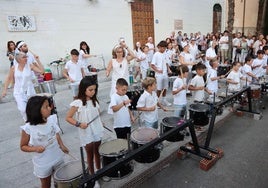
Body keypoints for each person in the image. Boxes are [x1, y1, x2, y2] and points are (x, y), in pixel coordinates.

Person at [20, 95, 69, 188]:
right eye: (46, 107)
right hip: (43, 162)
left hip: (57, 157)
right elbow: (23, 146)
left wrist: (61, 145)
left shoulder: (51, 119)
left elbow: (56, 133)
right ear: (36, 111)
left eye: (49, 105)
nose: (50, 108)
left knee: (61, 181)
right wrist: (35, 148)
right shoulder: (28, 128)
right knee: (46, 185)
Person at [66, 77, 103, 187]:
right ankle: (93, 178)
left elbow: (97, 114)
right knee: (90, 155)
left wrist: (101, 122)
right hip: (86, 132)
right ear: (83, 89)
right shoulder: (77, 103)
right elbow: (68, 118)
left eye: (94, 89)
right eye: (90, 90)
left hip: (96, 129)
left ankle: (100, 173)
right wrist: (79, 124)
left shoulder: (95, 101)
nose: (93, 92)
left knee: (98, 152)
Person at [2, 52, 44, 121]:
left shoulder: (30, 66)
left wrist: (38, 60)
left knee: (33, 109)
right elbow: (9, 78)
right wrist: (5, 90)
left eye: (26, 56)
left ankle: (33, 123)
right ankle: (27, 122)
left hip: (30, 91)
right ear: (19, 59)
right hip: (18, 92)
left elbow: (42, 71)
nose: (26, 58)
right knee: (23, 109)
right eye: (24, 57)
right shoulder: (14, 68)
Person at [151, 40, 172, 106]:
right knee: (159, 88)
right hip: (159, 74)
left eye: (165, 48)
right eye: (162, 47)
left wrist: (169, 70)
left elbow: (166, 63)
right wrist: (157, 70)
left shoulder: (165, 53)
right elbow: (152, 65)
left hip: (165, 74)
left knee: (165, 87)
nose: (163, 49)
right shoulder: (156, 54)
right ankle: (157, 102)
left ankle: (164, 100)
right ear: (159, 47)